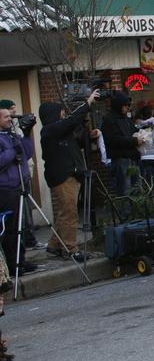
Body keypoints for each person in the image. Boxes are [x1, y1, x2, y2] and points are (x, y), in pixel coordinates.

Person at [38, 90, 100, 261]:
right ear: (53, 114)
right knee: (70, 213)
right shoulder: (50, 130)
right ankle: (71, 249)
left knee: (65, 212)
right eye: (60, 112)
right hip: (62, 176)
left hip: (70, 174)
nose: (63, 114)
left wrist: (89, 136)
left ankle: (54, 245)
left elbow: (73, 144)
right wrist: (87, 103)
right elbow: (72, 121)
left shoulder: (59, 131)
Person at [0, 106, 37, 275]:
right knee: (11, 229)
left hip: (20, 185)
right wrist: (11, 150)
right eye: (6, 116)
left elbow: (27, 153)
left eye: (10, 116)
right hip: (6, 189)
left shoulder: (13, 135)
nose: (10, 119)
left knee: (21, 226)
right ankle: (12, 264)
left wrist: (27, 133)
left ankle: (20, 260)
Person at [101, 92, 142, 200]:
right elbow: (113, 139)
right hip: (121, 159)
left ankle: (138, 214)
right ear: (119, 105)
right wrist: (134, 141)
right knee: (125, 191)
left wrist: (142, 134)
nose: (127, 108)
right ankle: (127, 215)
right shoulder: (109, 120)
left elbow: (133, 132)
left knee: (137, 190)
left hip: (132, 157)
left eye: (128, 106)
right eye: (125, 106)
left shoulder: (126, 119)